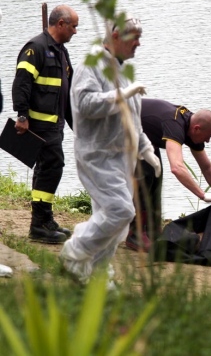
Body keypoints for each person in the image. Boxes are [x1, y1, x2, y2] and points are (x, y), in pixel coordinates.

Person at [58, 15, 161, 285]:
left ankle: (96, 273)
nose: (139, 43)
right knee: (121, 211)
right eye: (134, 37)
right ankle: (75, 252)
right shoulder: (91, 64)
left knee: (116, 220)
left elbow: (133, 117)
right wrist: (122, 95)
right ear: (115, 37)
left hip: (121, 157)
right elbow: (86, 105)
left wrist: (145, 148)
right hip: (97, 155)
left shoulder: (121, 68)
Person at [11, 5, 79, 243]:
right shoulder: (36, 48)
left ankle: (43, 220)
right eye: (74, 26)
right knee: (53, 166)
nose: (76, 31)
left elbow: (67, 93)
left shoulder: (61, 52)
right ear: (61, 24)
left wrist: (77, 128)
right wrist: (22, 115)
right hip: (38, 125)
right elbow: (22, 82)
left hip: (55, 126)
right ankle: (39, 224)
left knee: (47, 168)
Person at [126, 97, 211, 251]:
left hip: (142, 133)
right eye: (208, 136)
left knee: (156, 174)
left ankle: (152, 229)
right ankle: (136, 233)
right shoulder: (174, 125)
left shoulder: (192, 129)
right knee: (146, 175)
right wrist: (203, 195)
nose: (208, 141)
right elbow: (177, 167)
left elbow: (206, 167)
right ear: (197, 128)